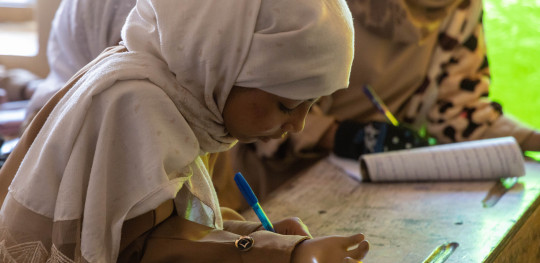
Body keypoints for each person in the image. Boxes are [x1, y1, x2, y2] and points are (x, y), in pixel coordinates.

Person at [0, 0, 370, 262]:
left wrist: (254, 232)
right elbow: (143, 250)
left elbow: (169, 218)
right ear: (223, 64)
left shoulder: (178, 97)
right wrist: (286, 255)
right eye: (288, 106)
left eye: (311, 106)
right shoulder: (135, 106)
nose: (299, 124)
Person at [228, 0, 540, 202]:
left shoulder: (461, 9)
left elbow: (458, 112)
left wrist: (534, 139)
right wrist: (345, 137)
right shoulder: (318, 8)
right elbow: (261, 99)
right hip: (276, 183)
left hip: (377, 187)